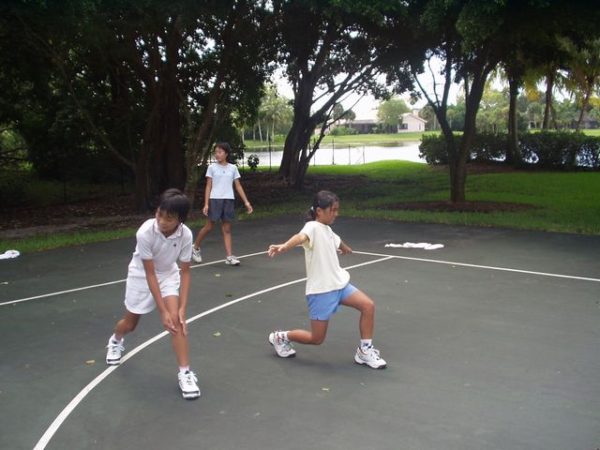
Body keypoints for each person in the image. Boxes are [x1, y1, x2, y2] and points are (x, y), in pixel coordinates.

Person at [266, 190, 386, 369]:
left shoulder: (328, 230)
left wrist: (345, 248)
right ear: (319, 211)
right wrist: (285, 246)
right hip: (321, 291)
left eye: (337, 209)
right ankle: (280, 337)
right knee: (316, 339)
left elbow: (338, 241)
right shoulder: (312, 227)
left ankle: (365, 352)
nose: (336, 214)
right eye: (333, 210)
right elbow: (300, 237)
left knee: (368, 306)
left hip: (340, 285)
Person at [105, 188, 201, 399]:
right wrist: (162, 311)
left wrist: (182, 307)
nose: (162, 221)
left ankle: (185, 373)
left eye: (169, 218)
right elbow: (150, 273)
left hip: (168, 274)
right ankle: (115, 340)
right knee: (130, 324)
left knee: (176, 322)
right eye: (159, 214)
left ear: (180, 220)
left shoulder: (185, 235)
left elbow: (185, 271)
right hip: (141, 275)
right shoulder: (145, 232)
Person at [192, 142, 253, 266]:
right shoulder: (212, 168)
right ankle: (195, 247)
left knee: (227, 229)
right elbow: (208, 186)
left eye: (220, 152)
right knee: (209, 226)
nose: (217, 154)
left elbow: (238, 186)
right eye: (216, 152)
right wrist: (206, 204)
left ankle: (229, 257)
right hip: (215, 200)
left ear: (226, 154)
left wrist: (246, 202)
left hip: (228, 200)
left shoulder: (233, 168)